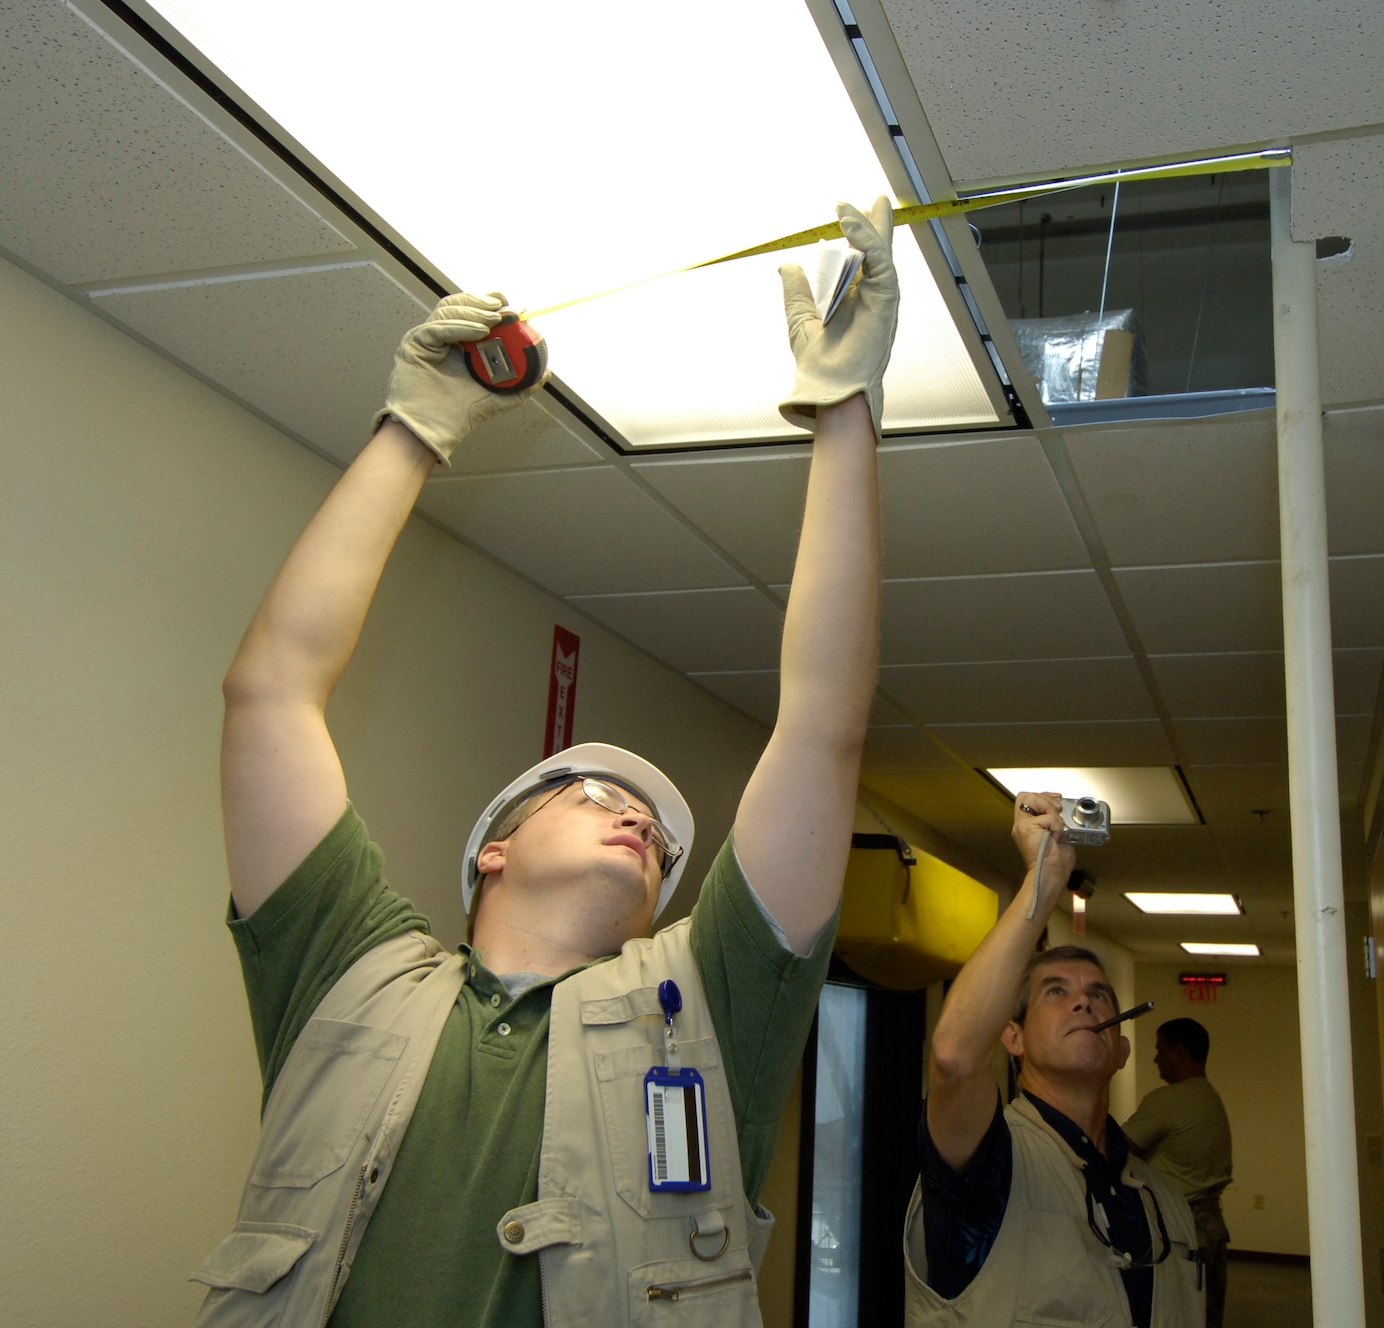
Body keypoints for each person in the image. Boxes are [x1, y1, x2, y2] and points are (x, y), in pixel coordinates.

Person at [191, 198, 900, 1328]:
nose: (638, 820)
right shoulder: (346, 964)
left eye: (658, 834)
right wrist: (415, 424)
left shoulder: (709, 1009)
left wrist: (846, 415)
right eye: (595, 791)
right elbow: (269, 694)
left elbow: (820, 724)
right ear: (495, 848)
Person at [905, 793, 1201, 1327]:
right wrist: (1041, 886)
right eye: (1056, 993)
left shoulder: (1165, 1201)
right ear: (1012, 1037)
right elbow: (953, 1057)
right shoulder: (989, 1160)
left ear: (1122, 1049)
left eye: (1099, 995)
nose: (1084, 1001)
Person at [1125, 1019, 1234, 1328]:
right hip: (1211, 1226)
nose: (1155, 1059)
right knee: (1206, 1316)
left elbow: (1118, 1150)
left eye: (1160, 1050)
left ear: (1180, 1054)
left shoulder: (1167, 1101)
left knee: (1174, 1314)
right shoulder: (1210, 1097)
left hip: (1180, 1229)